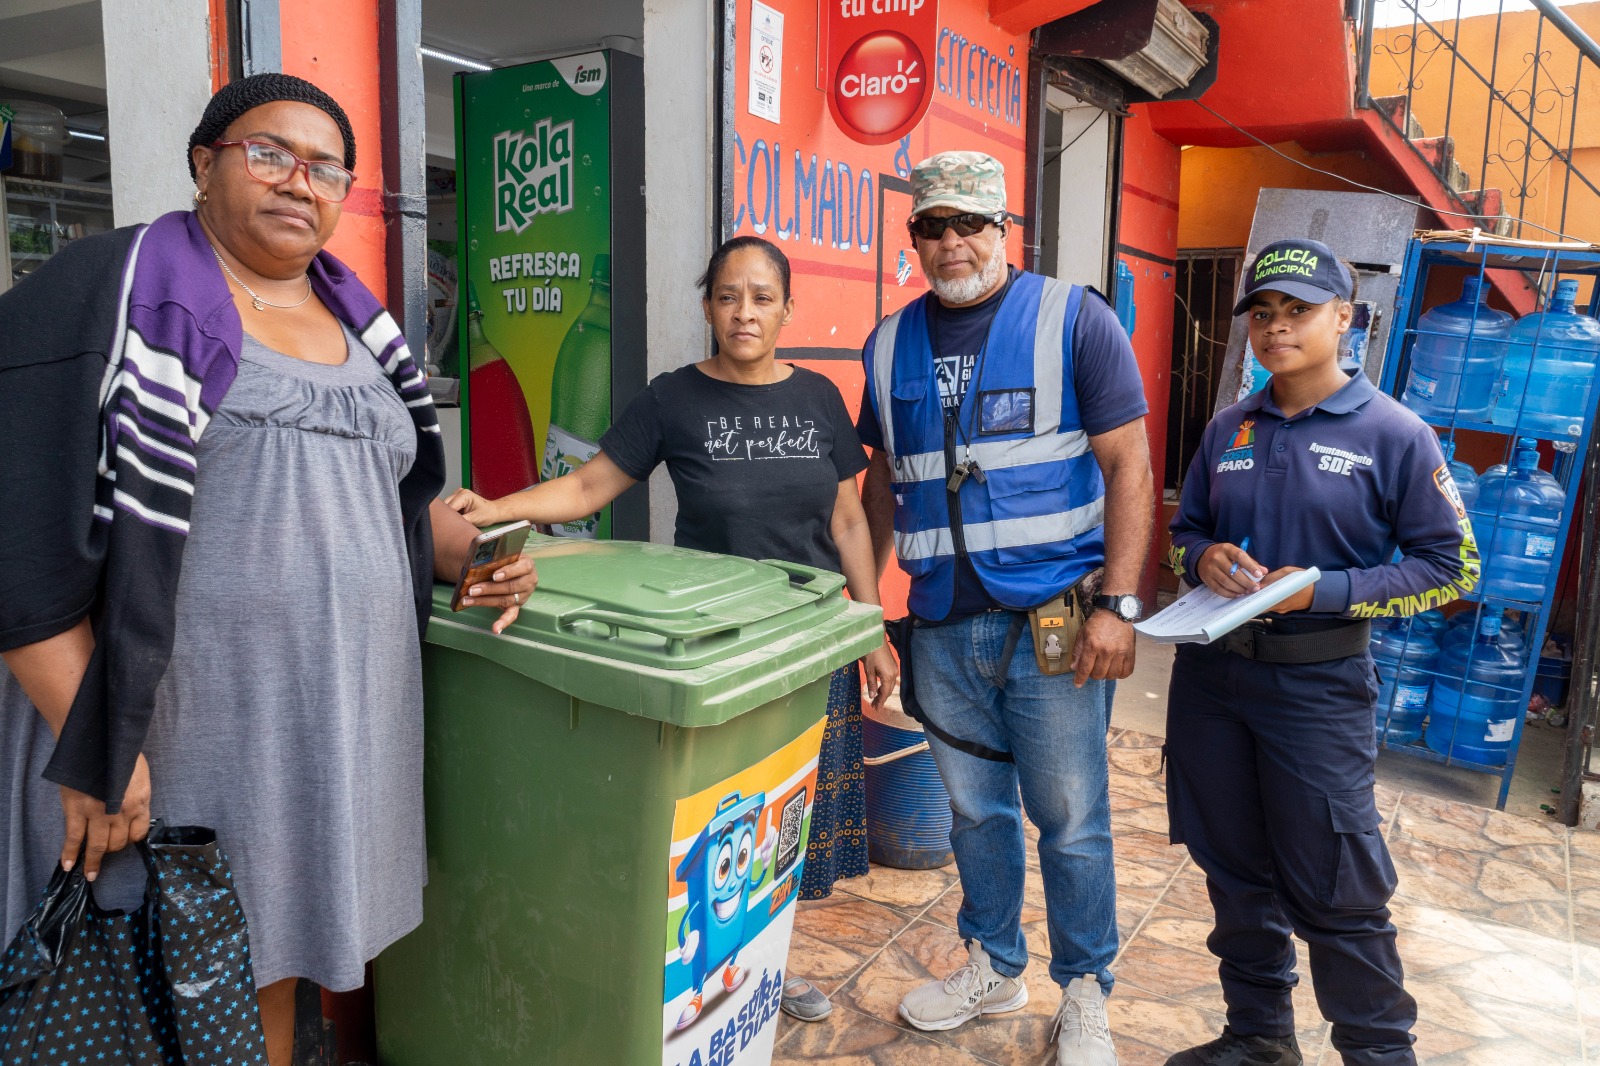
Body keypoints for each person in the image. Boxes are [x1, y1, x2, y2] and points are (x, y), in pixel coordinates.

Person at [0, 74, 535, 1066]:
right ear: (204, 163)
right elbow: (17, 528)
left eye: (327, 166)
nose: (300, 180)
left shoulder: (361, 320)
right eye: (269, 152)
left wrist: (457, 549)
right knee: (134, 980)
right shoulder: (110, 288)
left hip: (324, 729)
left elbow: (376, 495)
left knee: (254, 967)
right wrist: (98, 747)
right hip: (166, 731)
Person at [444, 234, 899, 1025]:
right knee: (729, 813)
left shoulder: (820, 398)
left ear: (788, 307)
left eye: (762, 296)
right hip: (718, 650)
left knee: (786, 821)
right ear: (707, 307)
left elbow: (848, 517)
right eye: (728, 296)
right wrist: (501, 506)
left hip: (806, 636)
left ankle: (767, 964)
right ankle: (719, 968)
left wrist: (872, 626)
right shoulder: (673, 399)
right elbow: (589, 484)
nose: (744, 312)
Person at [858, 151, 1153, 1066]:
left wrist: (1122, 605)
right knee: (974, 812)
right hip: (942, 622)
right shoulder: (885, 344)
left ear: (1003, 229)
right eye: (932, 226)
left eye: (970, 224)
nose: (952, 243)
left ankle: (1084, 992)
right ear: (915, 236)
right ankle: (995, 961)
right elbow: (879, 485)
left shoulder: (1075, 319)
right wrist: (868, 609)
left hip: (1057, 620)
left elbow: (1130, 468)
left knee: (1070, 814)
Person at [1163, 239, 1479, 1066]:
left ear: (1346, 317)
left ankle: (1378, 1054)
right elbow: (1183, 532)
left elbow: (1452, 567)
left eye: (1298, 311)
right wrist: (1200, 559)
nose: (1276, 328)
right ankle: (1259, 1036)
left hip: (1317, 688)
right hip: (1213, 679)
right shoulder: (1229, 426)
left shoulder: (1395, 433)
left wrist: (1322, 590)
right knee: (1232, 869)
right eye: (1262, 314)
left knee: (1339, 888)